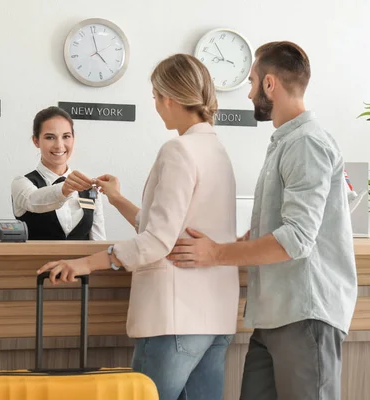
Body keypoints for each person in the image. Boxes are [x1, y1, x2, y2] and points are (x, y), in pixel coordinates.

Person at [36, 54, 240, 400]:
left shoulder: (178, 149)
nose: (156, 106)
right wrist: (116, 198)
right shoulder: (217, 149)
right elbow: (172, 227)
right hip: (216, 317)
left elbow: (156, 242)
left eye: (156, 97)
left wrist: (84, 263)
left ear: (170, 98)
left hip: (174, 318)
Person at [167, 41, 358, 400]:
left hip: (304, 314)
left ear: (270, 84)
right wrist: (246, 240)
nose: (250, 91)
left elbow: (299, 238)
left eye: (252, 81)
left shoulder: (306, 143)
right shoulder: (286, 143)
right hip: (273, 316)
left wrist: (216, 254)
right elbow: (300, 220)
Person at [11, 106, 105, 240]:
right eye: (50, 137)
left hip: (82, 261)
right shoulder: (21, 183)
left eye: (66, 136)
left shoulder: (90, 189)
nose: (59, 145)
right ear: (36, 141)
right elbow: (33, 201)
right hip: (35, 261)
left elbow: (98, 241)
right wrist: (64, 189)